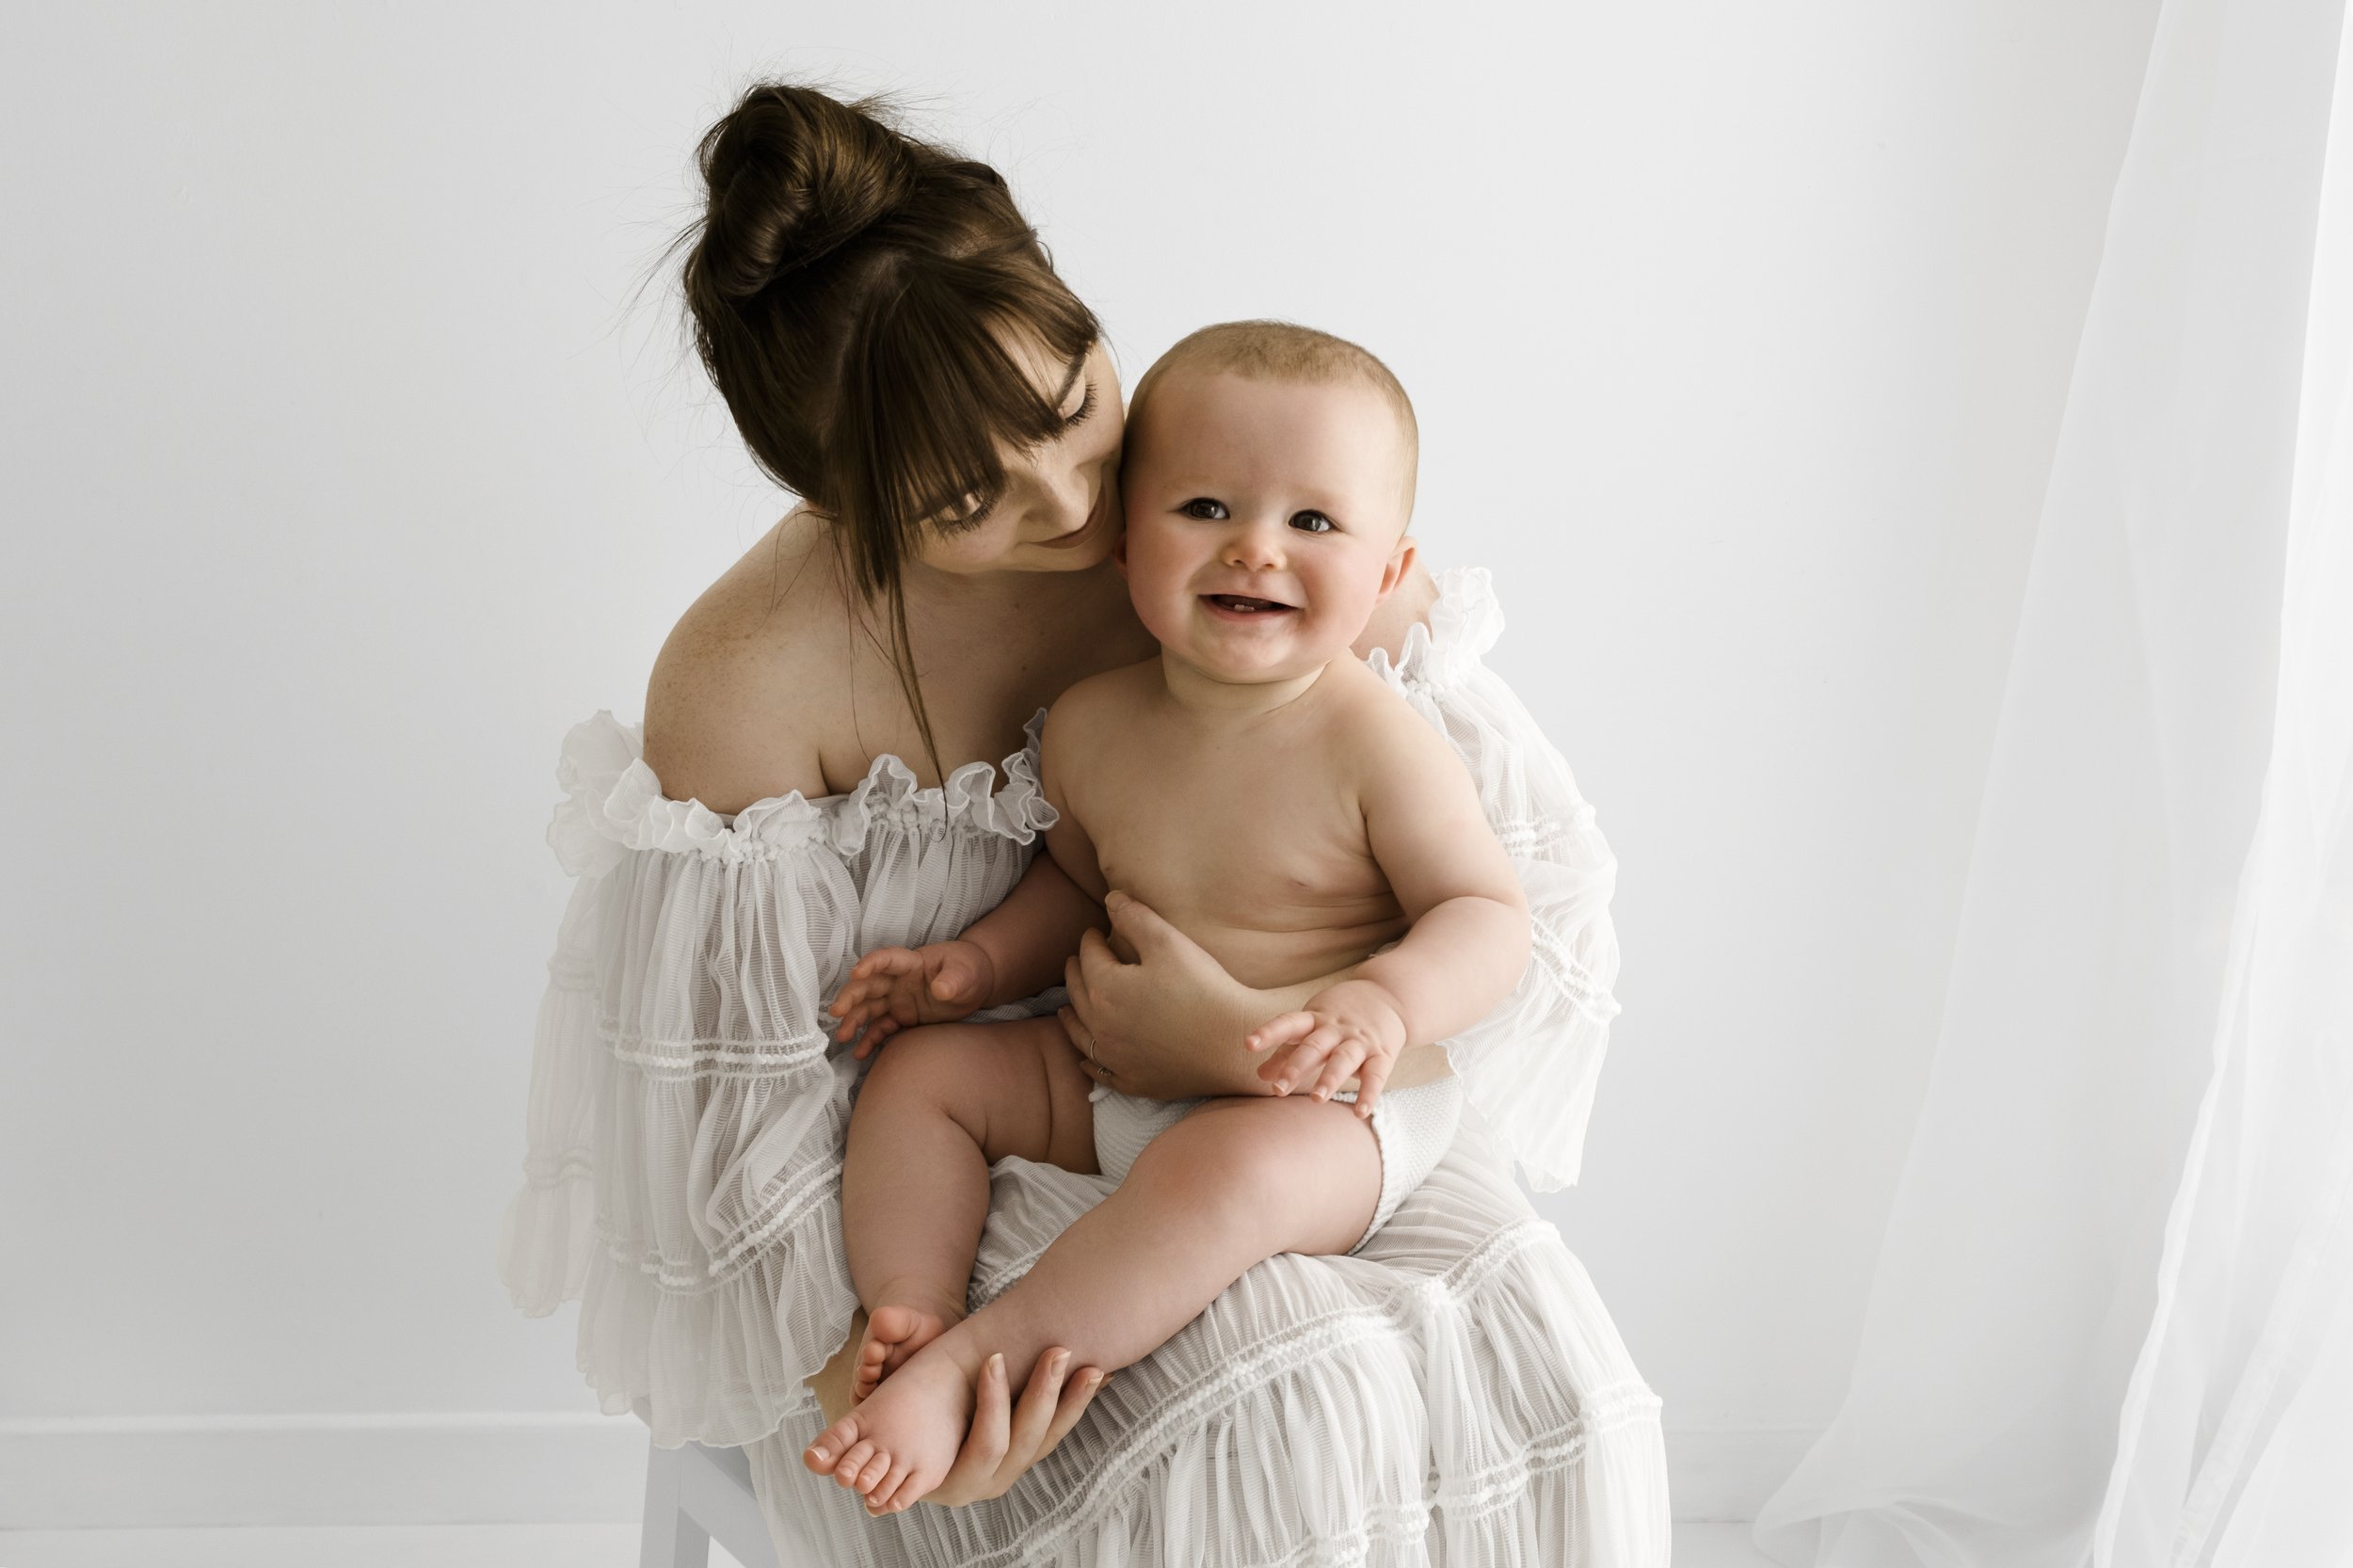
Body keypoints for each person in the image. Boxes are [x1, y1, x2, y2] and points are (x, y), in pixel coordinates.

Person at [502, 80, 1670, 1566]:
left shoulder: (1243, 489)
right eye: (965, 497)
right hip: (964, 1171)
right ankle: (948, 1358)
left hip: (1297, 1091)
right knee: (1276, 1396)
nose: (1073, 501)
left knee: (1505, 1357)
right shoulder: (748, 685)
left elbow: (1519, 924)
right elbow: (727, 1154)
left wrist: (1244, 1034)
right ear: (838, 498)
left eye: (1070, 412)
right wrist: (967, 1011)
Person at [807, 322, 1529, 1512]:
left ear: (1389, 573)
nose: (1256, 546)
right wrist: (977, 967)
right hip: (1112, 1072)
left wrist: (1381, 1000)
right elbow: (1080, 887)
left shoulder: (1371, 741)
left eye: (1313, 521)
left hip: (1324, 1109)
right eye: (1204, 505)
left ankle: (978, 1361)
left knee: (1223, 1170)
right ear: (1127, 538)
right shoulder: (1091, 722)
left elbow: (1486, 912)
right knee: (925, 1076)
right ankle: (909, 1302)